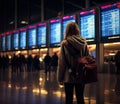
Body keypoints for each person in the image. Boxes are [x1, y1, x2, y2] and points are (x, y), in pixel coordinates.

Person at [58, 22, 89, 104]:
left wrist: (60, 78)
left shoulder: (65, 43)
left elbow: (62, 63)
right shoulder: (84, 42)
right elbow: (87, 58)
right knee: (80, 98)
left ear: (67, 30)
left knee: (69, 99)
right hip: (81, 74)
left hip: (68, 75)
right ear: (77, 30)